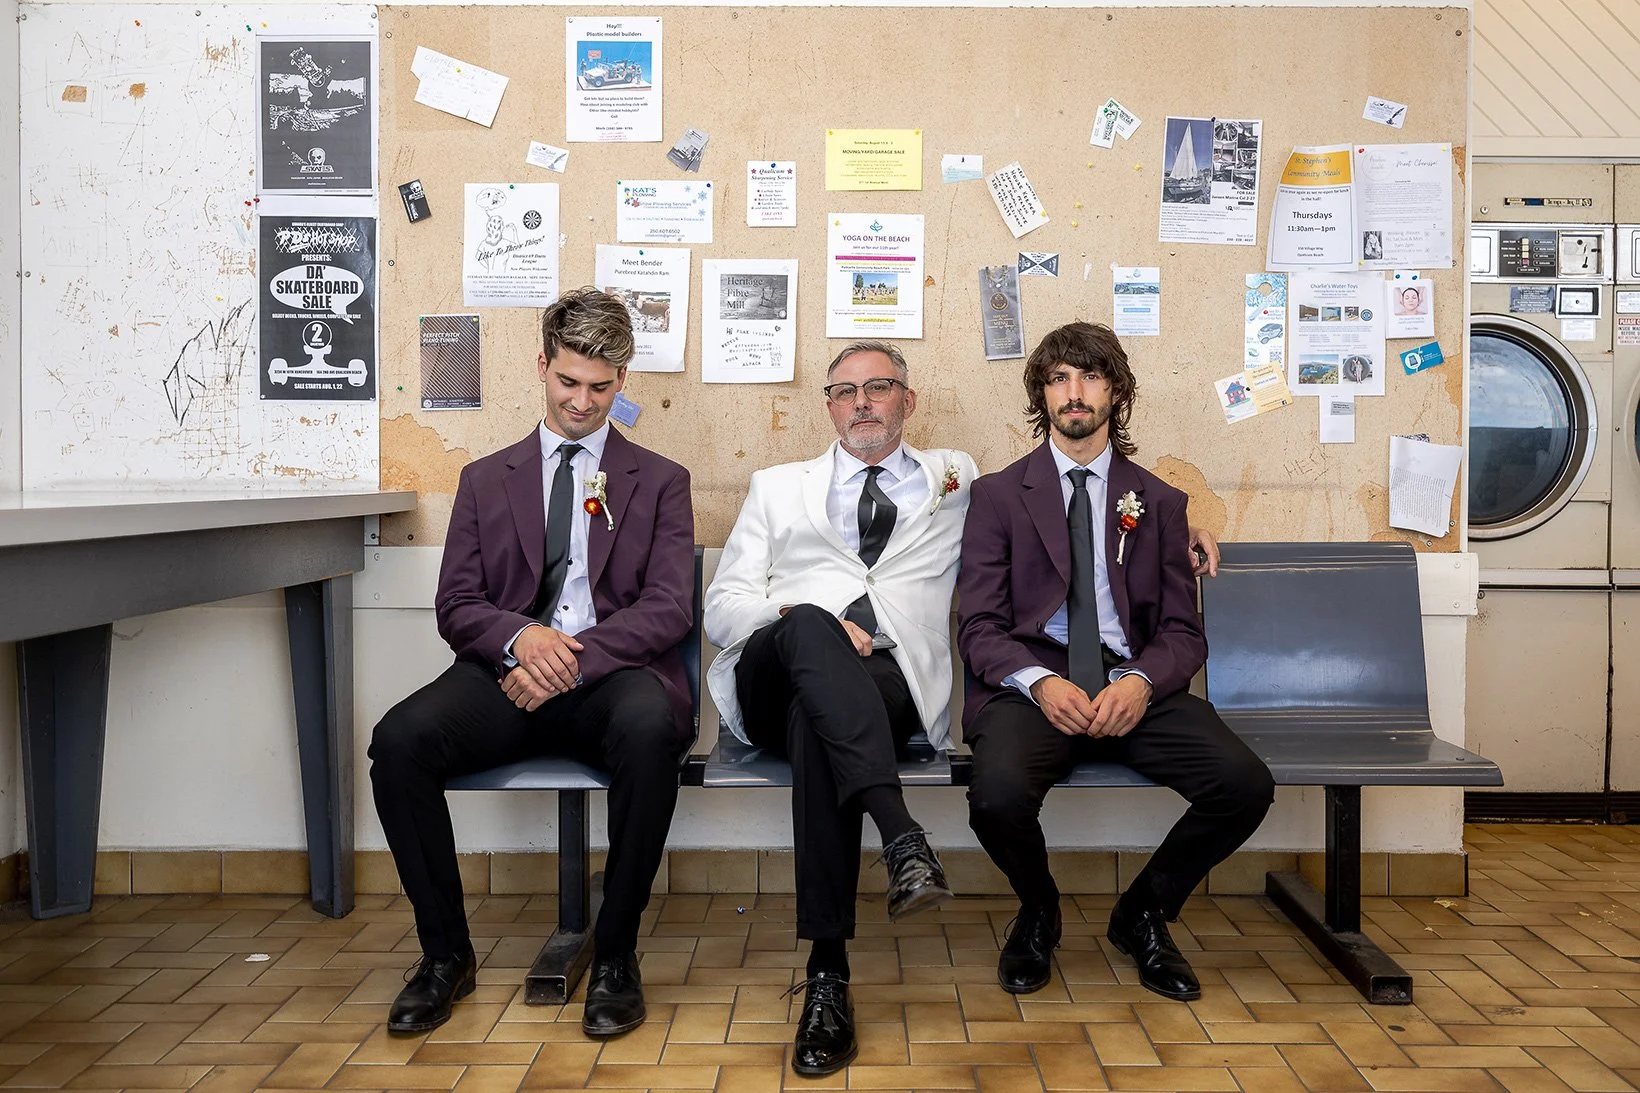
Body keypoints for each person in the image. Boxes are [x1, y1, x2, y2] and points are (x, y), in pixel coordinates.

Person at [369, 288, 695, 1038]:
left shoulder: (661, 481)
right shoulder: (486, 478)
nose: (583, 402)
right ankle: (445, 954)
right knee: (398, 741)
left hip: (613, 679)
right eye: (569, 381)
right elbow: (458, 603)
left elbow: (668, 606)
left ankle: (614, 955)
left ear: (623, 381)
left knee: (652, 735)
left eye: (602, 387)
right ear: (541, 365)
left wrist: (567, 658)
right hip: (503, 677)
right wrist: (524, 640)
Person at [957, 321, 1274, 1002]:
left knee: (1245, 783)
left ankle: (1145, 911)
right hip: (1033, 689)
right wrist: (1039, 682)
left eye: (1091, 376)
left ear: (1117, 390)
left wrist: (1139, 681)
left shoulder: (1158, 502)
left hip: (1135, 686)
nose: (1075, 392)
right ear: (1042, 393)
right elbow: (979, 626)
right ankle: (1039, 909)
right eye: (1060, 377)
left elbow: (1184, 633)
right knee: (995, 796)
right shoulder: (996, 496)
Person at [703, 341, 974, 1076]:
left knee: (820, 726)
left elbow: (1058, 495)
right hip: (772, 671)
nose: (862, 401)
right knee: (807, 627)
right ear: (827, 406)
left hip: (887, 685)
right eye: (846, 390)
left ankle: (828, 976)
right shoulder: (776, 486)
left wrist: (1186, 528)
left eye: (879, 387)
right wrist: (805, 615)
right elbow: (722, 607)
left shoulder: (958, 478)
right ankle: (902, 836)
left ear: (907, 402)